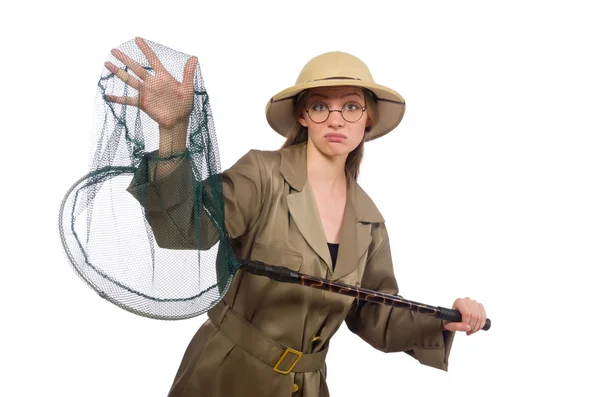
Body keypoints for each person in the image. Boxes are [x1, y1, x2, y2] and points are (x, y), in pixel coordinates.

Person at [105, 37, 487, 397]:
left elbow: (374, 313)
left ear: (367, 119)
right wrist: (173, 129)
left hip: (307, 386)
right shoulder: (261, 175)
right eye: (321, 106)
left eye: (351, 106)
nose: (336, 120)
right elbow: (185, 232)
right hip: (225, 375)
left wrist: (444, 321)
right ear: (304, 115)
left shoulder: (370, 221)